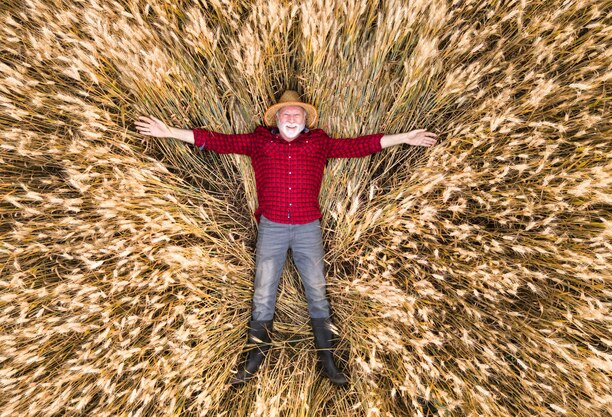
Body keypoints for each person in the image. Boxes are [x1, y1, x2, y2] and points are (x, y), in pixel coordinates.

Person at [134, 90, 438, 387]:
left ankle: (327, 360)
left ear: (305, 120)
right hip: (272, 228)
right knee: (263, 292)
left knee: (317, 292)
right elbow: (216, 141)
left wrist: (404, 138)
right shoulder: (259, 142)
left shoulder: (319, 143)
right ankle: (255, 355)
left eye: (297, 114)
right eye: (286, 113)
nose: (291, 118)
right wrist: (168, 132)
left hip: (308, 228)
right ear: (276, 118)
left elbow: (359, 146)